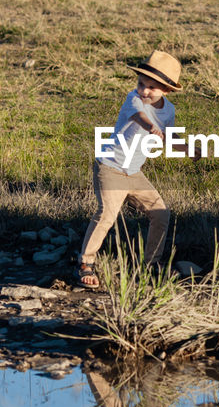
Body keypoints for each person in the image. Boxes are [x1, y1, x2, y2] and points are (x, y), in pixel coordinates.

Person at [76, 49, 185, 289]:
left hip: (134, 173)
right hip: (111, 167)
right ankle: (86, 263)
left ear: (166, 90)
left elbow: (172, 136)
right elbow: (139, 117)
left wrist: (187, 149)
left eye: (151, 88)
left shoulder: (169, 111)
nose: (144, 90)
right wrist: (152, 127)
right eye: (141, 83)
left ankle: (151, 264)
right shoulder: (133, 99)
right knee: (107, 214)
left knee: (161, 214)